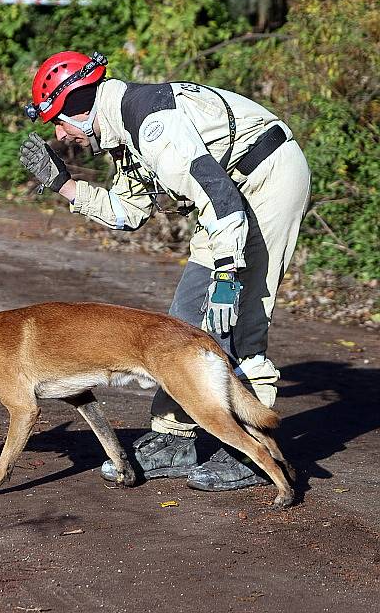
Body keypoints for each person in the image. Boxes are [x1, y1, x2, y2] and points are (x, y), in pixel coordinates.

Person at [19, 50, 311, 491]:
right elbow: (128, 212)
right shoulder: (123, 133)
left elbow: (219, 197)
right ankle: (177, 438)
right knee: (184, 320)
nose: (61, 134)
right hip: (226, 200)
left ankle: (256, 451)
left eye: (59, 120)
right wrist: (65, 184)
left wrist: (228, 276)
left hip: (266, 178)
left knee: (241, 317)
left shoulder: (151, 123)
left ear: (81, 102)